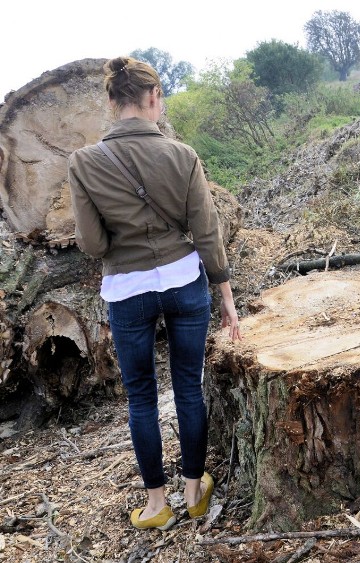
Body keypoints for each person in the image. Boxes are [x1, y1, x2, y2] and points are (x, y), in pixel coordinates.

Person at [68, 56, 241, 531]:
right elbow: (206, 232)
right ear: (153, 98)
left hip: (127, 289)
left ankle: (156, 505)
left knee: (141, 397)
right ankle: (194, 492)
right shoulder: (183, 156)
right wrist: (224, 293)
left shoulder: (83, 163)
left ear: (110, 101)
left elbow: (92, 244)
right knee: (187, 385)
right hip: (186, 283)